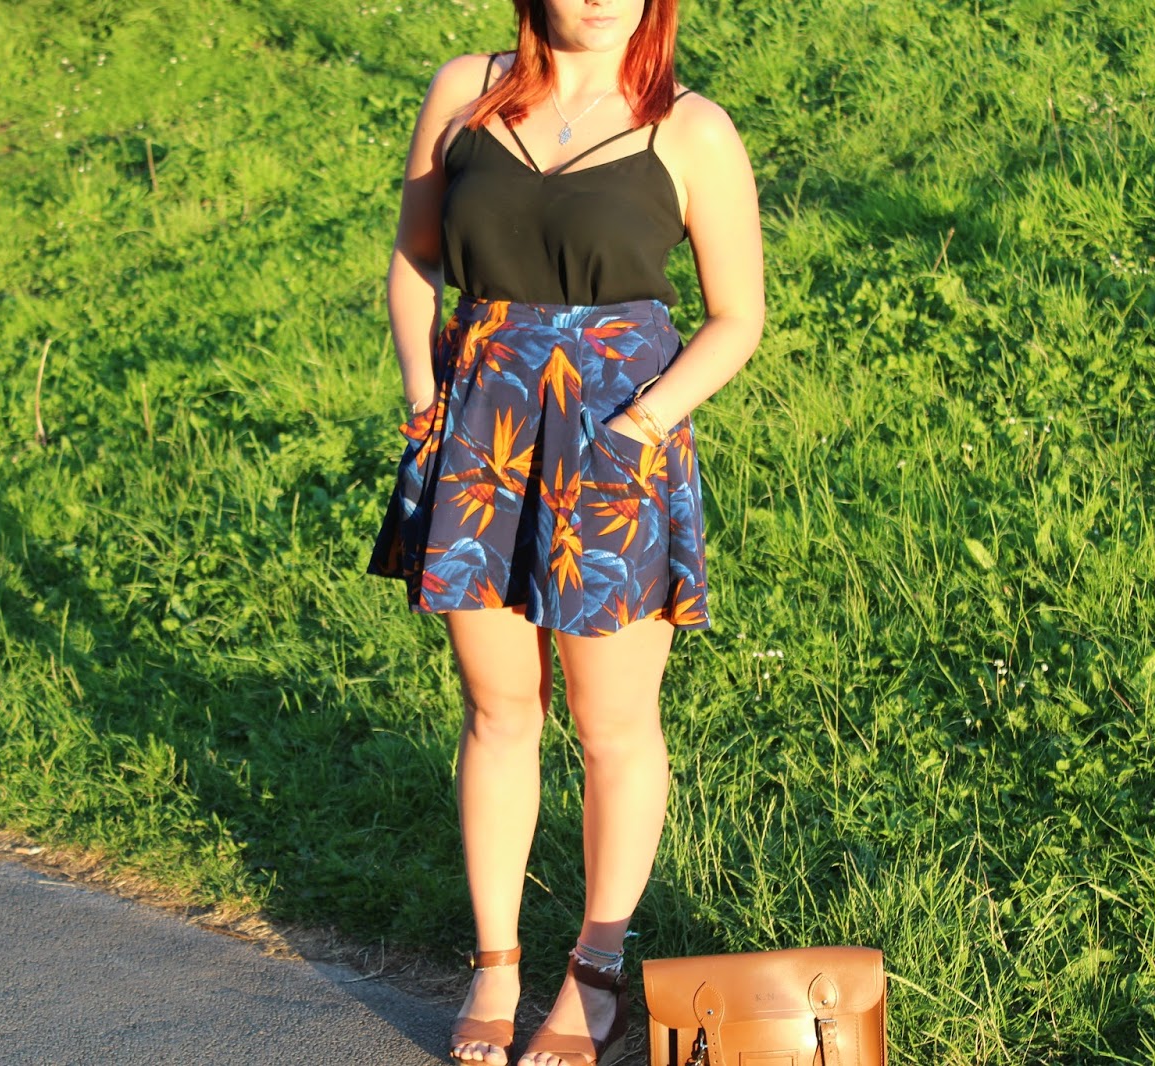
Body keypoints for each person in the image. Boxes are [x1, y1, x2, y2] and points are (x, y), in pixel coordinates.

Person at [367, 0, 762, 1062]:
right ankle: (495, 964)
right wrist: (424, 397)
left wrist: (642, 426)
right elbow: (415, 259)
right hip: (482, 428)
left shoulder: (689, 128)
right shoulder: (465, 91)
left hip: (619, 437)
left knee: (610, 721)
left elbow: (738, 315)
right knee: (499, 711)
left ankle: (595, 974)